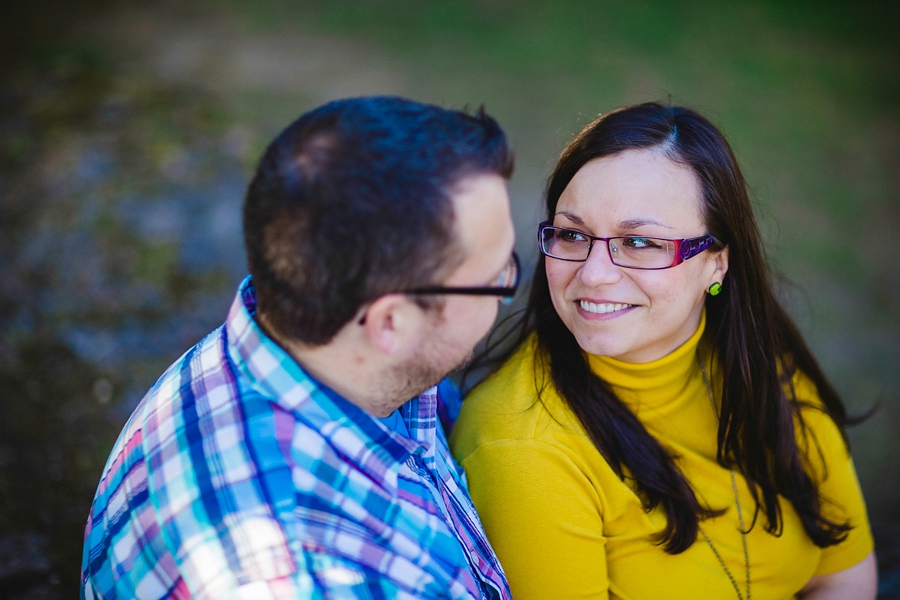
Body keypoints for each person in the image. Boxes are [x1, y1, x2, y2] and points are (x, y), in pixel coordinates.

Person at [81, 96, 518, 599]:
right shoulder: (318, 579)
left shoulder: (289, 346)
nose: (508, 290)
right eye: (495, 280)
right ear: (389, 322)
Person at [450, 102, 877, 599]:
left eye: (639, 242)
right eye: (572, 234)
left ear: (716, 264)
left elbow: (843, 577)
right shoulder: (523, 449)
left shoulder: (764, 373)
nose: (594, 274)